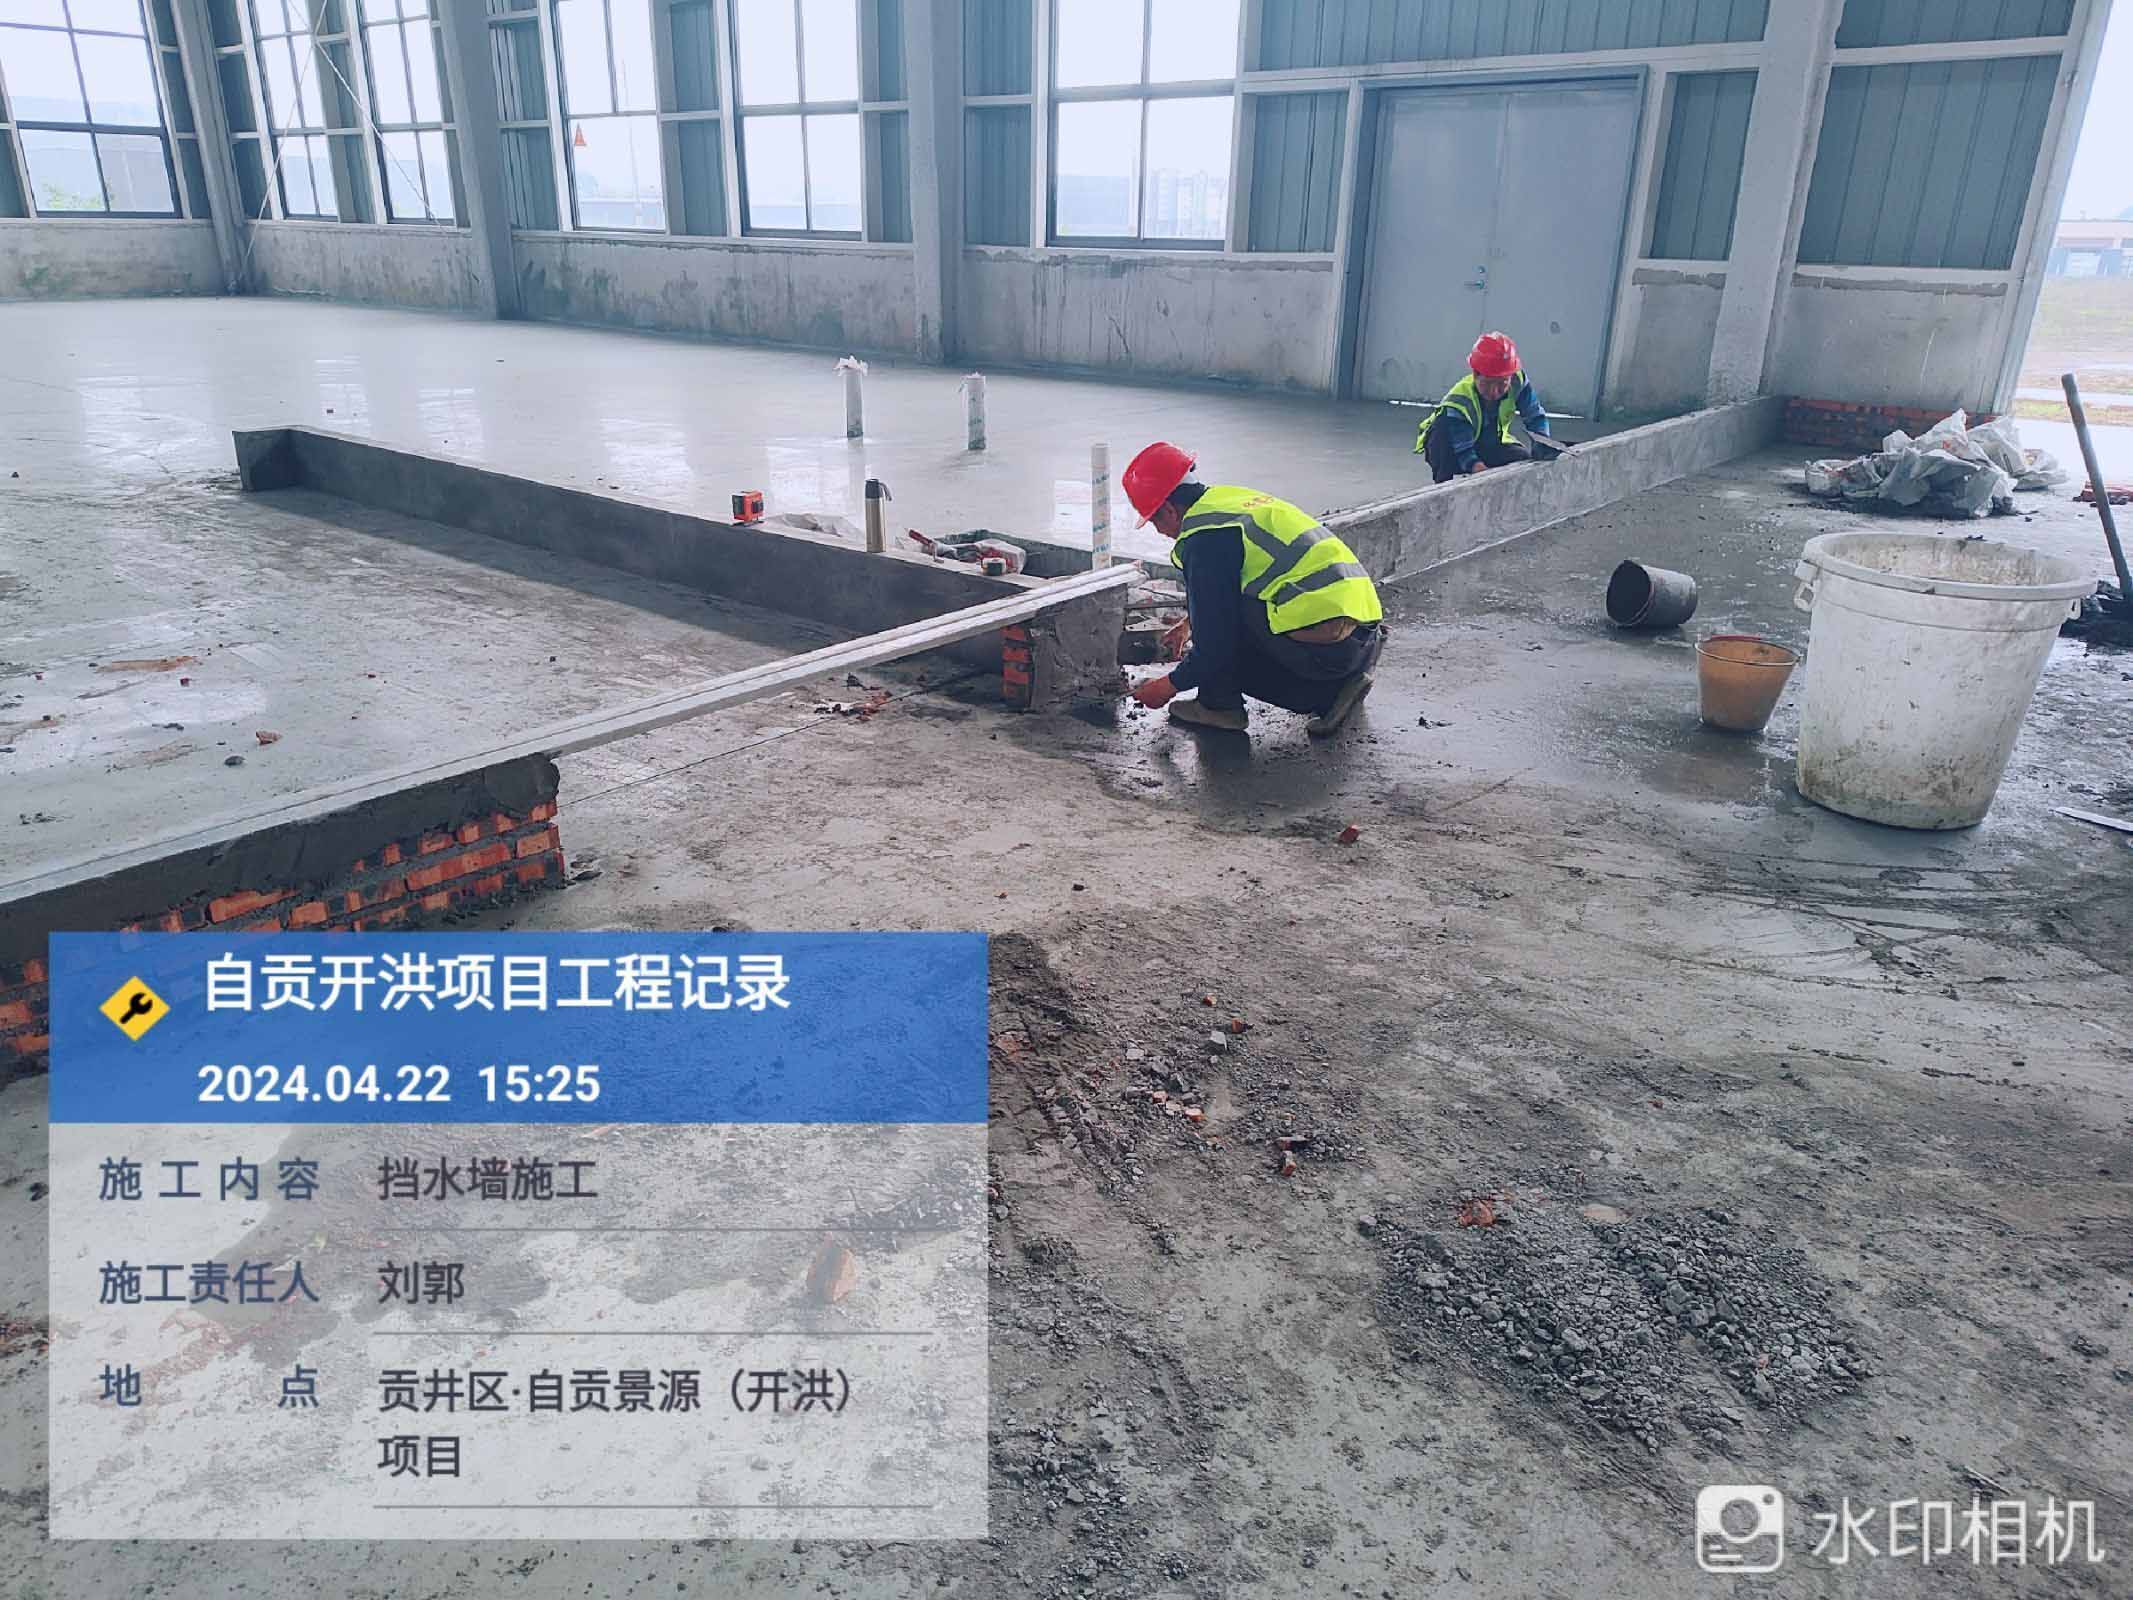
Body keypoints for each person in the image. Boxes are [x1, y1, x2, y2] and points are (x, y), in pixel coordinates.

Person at [1121, 443, 1386, 736]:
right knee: (1218, 620)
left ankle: (1229, 705)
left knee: (1218, 637)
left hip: (1330, 653)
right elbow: (1247, 580)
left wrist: (1167, 686)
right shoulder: (1228, 503)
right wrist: (1189, 624)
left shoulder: (1204, 540)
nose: (1159, 531)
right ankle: (1347, 677)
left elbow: (1214, 648)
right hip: (1363, 636)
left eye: (1154, 521)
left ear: (1169, 510)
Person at [1416, 331, 1551, 484]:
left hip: (1488, 443)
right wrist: (1478, 470)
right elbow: (1463, 449)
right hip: (1452, 448)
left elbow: (1535, 416)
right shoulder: (1460, 401)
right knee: (1441, 433)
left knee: (1523, 459)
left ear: (1511, 376)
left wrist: (1543, 443)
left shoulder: (1517, 382)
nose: (1494, 392)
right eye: (1487, 383)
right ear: (1475, 374)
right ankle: (1442, 488)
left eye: (1502, 384)